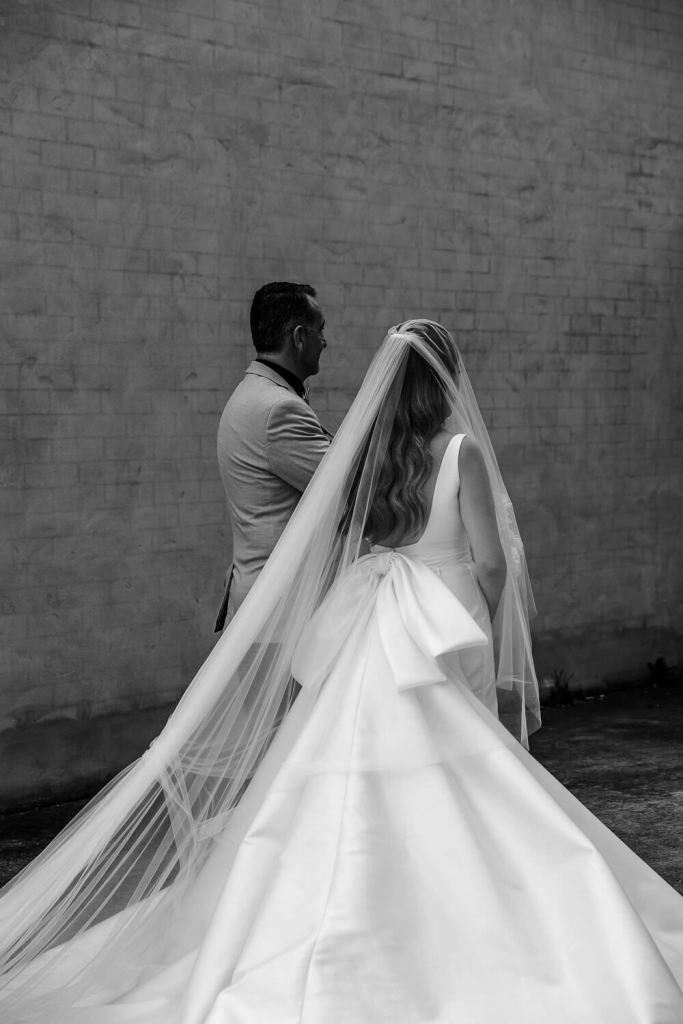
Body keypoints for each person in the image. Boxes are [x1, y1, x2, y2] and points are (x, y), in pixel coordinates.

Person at [1, 321, 682, 1022]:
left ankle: (333, 912)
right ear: (443, 381)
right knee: (464, 767)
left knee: (348, 759)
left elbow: (348, 542)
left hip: (373, 619)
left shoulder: (365, 458)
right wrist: (484, 619)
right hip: (442, 628)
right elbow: (487, 561)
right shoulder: (459, 451)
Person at [215, 281, 331, 630]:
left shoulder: (253, 393)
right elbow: (351, 484)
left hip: (261, 601)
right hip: (281, 613)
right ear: (299, 336)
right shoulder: (279, 409)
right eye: (320, 330)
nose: (325, 341)